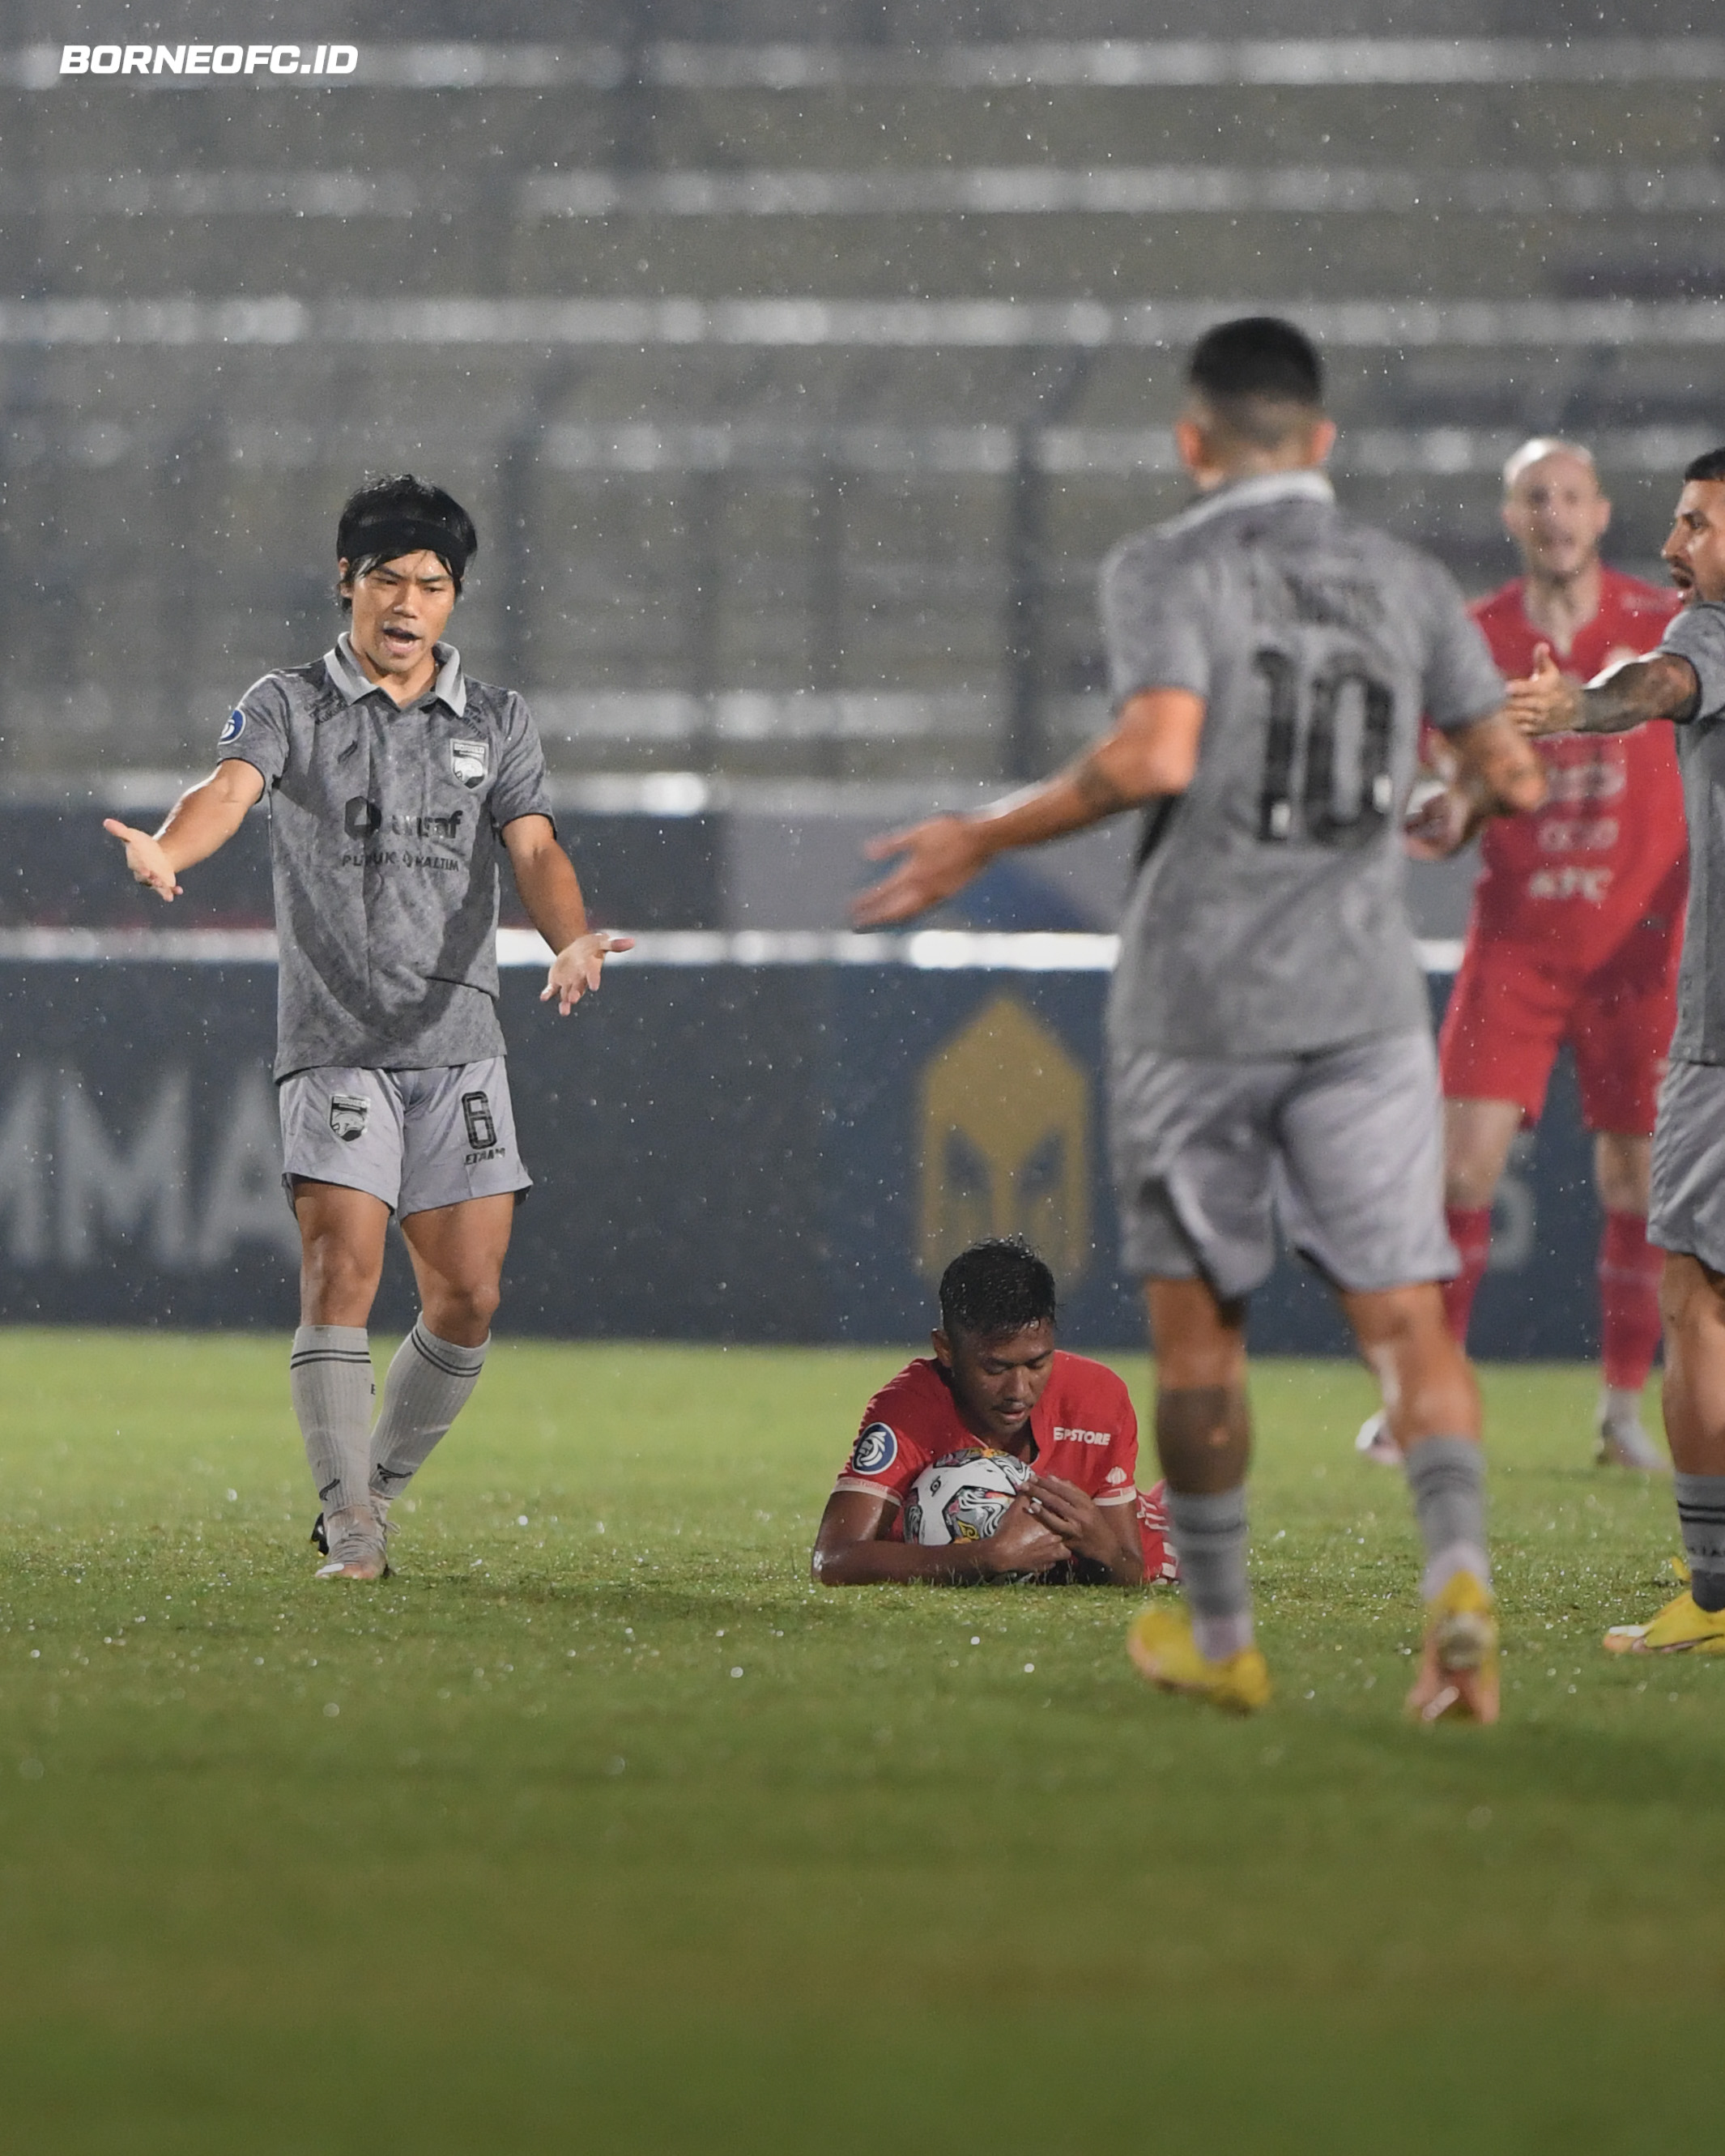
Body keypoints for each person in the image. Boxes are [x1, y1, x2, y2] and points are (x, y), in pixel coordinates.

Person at [854, 317, 1545, 1719]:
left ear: (1192, 443)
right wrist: (1454, 799)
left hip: (1202, 1004)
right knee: (1409, 1324)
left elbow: (1158, 750)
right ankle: (1458, 1577)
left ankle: (1221, 1636)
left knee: (1200, 1344)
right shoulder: (1410, 582)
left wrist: (988, 834)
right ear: (1324, 442)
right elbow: (1514, 778)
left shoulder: (1169, 564)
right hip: (1360, 1004)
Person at [103, 475, 630, 1581]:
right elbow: (229, 786)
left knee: (469, 1297)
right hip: (337, 1041)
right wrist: (170, 847)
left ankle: (373, 1483)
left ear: (454, 599)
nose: (407, 601)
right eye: (386, 576)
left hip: (460, 1047)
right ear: (345, 580)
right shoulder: (291, 702)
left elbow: (533, 847)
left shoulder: (495, 719)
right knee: (341, 1268)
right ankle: (350, 1524)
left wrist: (568, 937)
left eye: (431, 584)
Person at [1361, 438, 1682, 1472]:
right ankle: (1429, 1397)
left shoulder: (1659, 624)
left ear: (1599, 514)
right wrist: (1447, 811)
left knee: (1637, 1180)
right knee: (1461, 1172)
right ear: (1513, 516)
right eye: (1535, 496)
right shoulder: (1473, 637)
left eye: (1572, 496)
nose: (1555, 513)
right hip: (1520, 944)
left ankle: (1623, 1410)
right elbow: (1448, 782)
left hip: (1642, 945)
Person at [1507, 447, 1725, 1653]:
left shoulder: (1712, 630)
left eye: (1694, 523)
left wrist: (1569, 710)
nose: (1672, 546)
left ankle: (1714, 1594)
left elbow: (1652, 682)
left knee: (1696, 1295)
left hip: (1722, 1045)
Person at [811, 1238, 1176, 1587]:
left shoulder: (1096, 1400)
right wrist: (985, 1558)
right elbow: (833, 1559)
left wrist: (1104, 1546)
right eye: (995, 1369)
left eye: (1037, 1363)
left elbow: (1131, 1570)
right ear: (946, 1349)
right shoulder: (908, 1412)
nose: (1019, 1391)